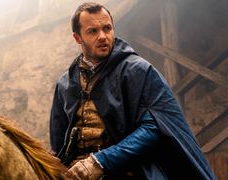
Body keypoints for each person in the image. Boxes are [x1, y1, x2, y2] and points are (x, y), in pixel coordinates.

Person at [49, 2, 215, 179]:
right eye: (93, 31)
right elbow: (58, 145)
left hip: (128, 170)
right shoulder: (65, 84)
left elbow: (154, 127)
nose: (103, 36)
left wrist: (100, 161)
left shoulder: (138, 70)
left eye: (107, 28)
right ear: (77, 38)